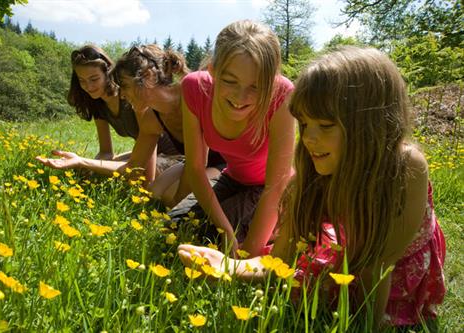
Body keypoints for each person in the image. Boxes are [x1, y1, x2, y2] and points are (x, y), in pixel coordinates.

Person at [178, 46, 446, 328]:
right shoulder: (312, 172)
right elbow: (280, 258)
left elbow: (376, 268)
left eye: (326, 125)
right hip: (352, 251)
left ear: (372, 125)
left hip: (390, 269)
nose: (309, 138)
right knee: (299, 281)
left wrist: (364, 326)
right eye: (304, 124)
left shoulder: (406, 168)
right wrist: (230, 266)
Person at [37, 45, 224, 204]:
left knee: (171, 197)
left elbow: (198, 163)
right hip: (190, 161)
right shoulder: (152, 117)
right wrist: (80, 161)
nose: (123, 95)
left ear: (147, 76)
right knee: (155, 194)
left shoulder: (190, 95)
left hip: (225, 161)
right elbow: (134, 166)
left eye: (125, 86)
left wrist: (175, 207)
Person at [171, 20, 296, 257]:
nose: (241, 97)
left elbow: (276, 184)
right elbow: (196, 167)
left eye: (256, 86)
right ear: (213, 70)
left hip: (270, 189)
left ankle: (283, 226)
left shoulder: (282, 95)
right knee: (177, 228)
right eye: (230, 81)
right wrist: (225, 229)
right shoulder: (194, 88)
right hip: (232, 180)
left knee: (219, 243)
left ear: (270, 84)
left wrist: (245, 259)